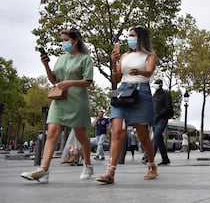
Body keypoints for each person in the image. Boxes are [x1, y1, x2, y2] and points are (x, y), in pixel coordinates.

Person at [21, 29, 94, 183]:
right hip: (59, 99)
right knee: (52, 132)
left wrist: (70, 82)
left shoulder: (85, 59)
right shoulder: (61, 59)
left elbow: (88, 81)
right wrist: (46, 65)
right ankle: (43, 169)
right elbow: (54, 80)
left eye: (66, 40)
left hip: (77, 100)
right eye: (62, 40)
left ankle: (88, 164)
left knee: (81, 136)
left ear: (75, 41)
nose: (64, 43)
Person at [96, 26, 157, 184]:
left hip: (140, 92)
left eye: (133, 36)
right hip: (123, 92)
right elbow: (116, 78)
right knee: (117, 132)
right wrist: (114, 61)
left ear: (141, 38)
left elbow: (149, 72)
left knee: (143, 135)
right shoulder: (123, 56)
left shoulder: (150, 55)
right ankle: (110, 172)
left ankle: (151, 165)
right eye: (129, 36)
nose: (129, 38)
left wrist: (140, 72)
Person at [142, 79, 172, 165]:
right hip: (154, 119)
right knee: (159, 139)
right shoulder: (154, 96)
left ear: (160, 85)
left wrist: (159, 114)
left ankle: (149, 158)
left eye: (156, 84)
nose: (154, 86)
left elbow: (168, 107)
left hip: (162, 118)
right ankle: (165, 158)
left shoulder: (166, 95)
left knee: (156, 136)